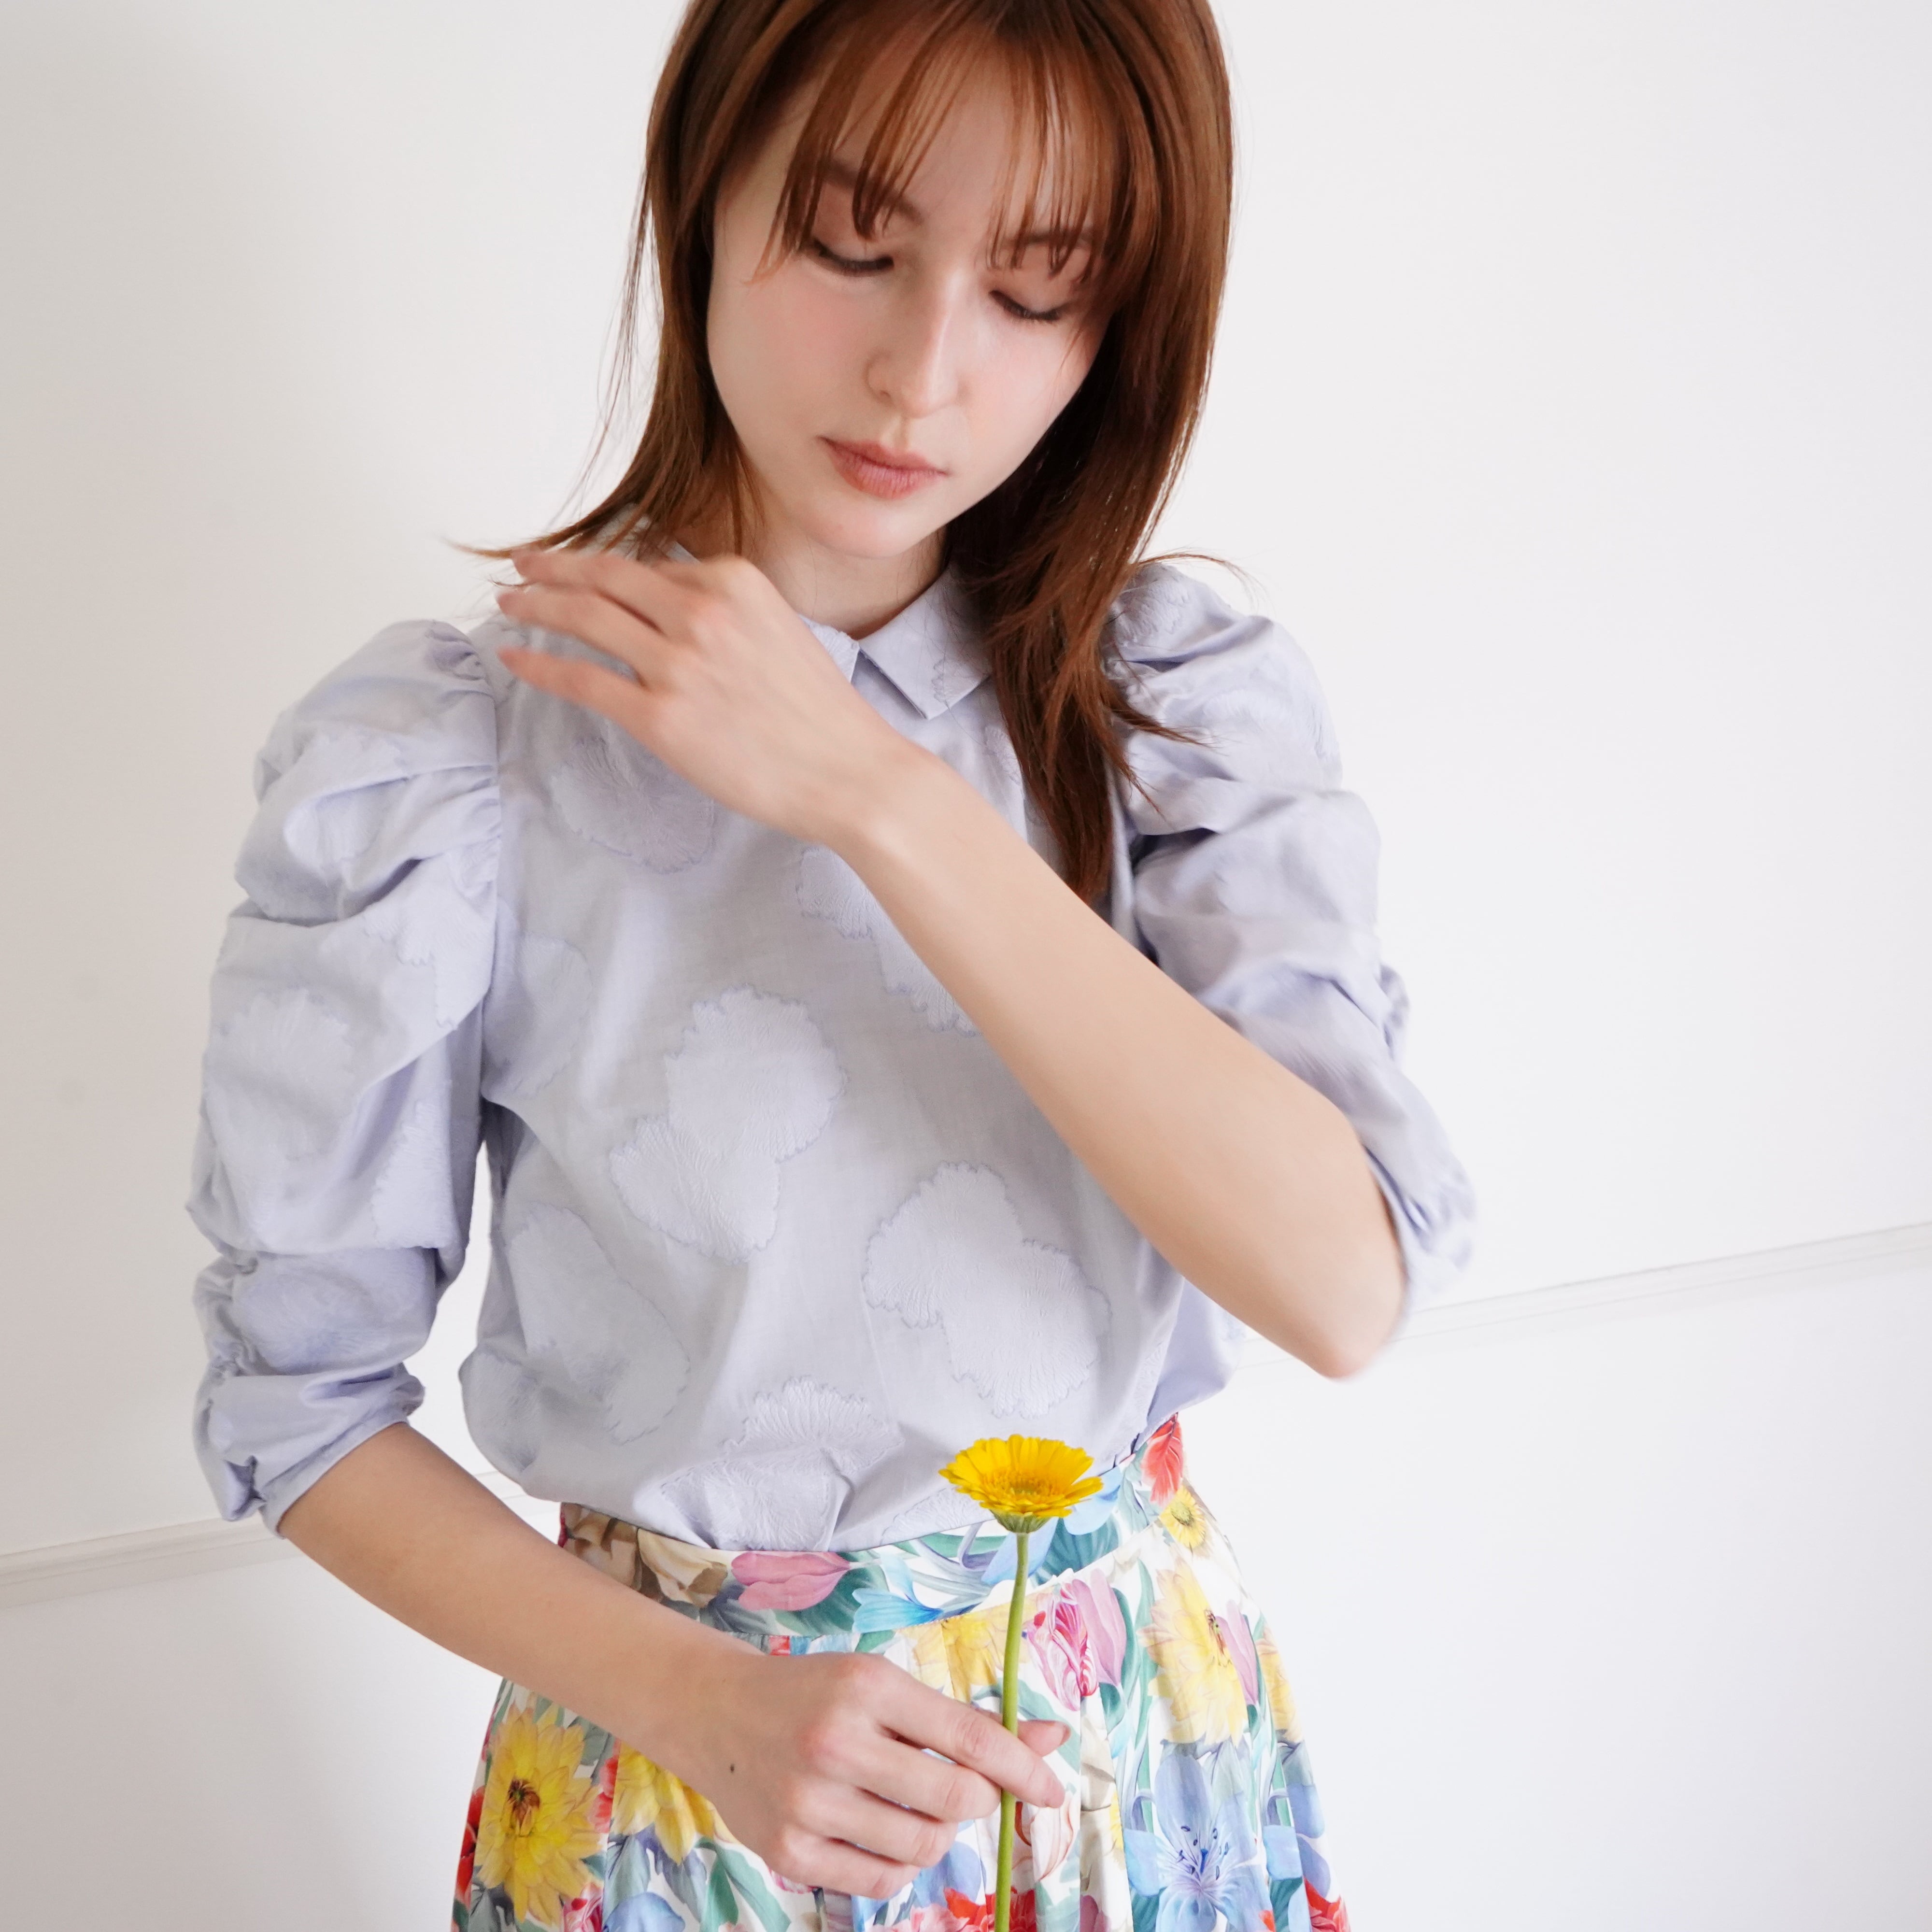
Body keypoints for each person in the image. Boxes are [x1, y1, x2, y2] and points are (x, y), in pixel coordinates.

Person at [185, 0, 1475, 1927]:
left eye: (1036, 292)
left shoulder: (1168, 711)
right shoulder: (446, 766)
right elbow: (297, 1407)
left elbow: (1342, 1288)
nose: (920, 372)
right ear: (702, 192)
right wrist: (699, 1699)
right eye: (854, 243)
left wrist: (877, 796)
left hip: (1124, 1775)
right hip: (674, 1795)